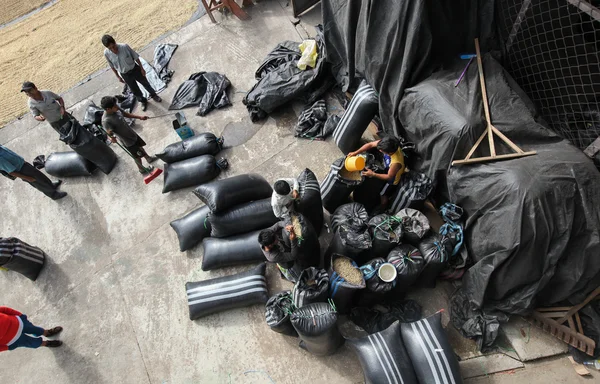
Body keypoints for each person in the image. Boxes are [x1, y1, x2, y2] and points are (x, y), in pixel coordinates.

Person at [102, 34, 161, 111]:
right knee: (135, 90)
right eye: (110, 48)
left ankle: (154, 95)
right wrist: (118, 77)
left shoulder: (124, 47)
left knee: (145, 83)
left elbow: (136, 57)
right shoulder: (106, 53)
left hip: (135, 69)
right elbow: (112, 66)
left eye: (113, 46)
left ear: (115, 42)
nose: (113, 49)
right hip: (125, 74)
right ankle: (143, 101)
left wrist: (142, 69)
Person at [100, 96, 157, 175]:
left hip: (131, 134)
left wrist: (139, 117)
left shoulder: (115, 109)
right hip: (127, 141)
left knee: (140, 147)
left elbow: (125, 114)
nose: (117, 106)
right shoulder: (106, 121)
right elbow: (109, 132)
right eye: (115, 106)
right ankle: (142, 170)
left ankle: (148, 158)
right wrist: (111, 138)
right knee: (137, 156)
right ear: (108, 109)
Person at [347, 136, 406, 209]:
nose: (380, 151)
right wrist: (355, 152)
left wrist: (373, 174)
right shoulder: (387, 143)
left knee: (382, 194)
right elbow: (370, 144)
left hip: (391, 180)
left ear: (390, 153)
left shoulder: (396, 163)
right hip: (388, 169)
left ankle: (382, 208)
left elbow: (389, 176)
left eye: (382, 151)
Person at [0, 145, 66, 200]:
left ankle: (51, 185)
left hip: (23, 164)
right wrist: (27, 178)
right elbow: (11, 172)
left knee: (41, 176)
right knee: (39, 183)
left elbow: (10, 153)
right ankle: (53, 194)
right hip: (22, 171)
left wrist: (23, 160)